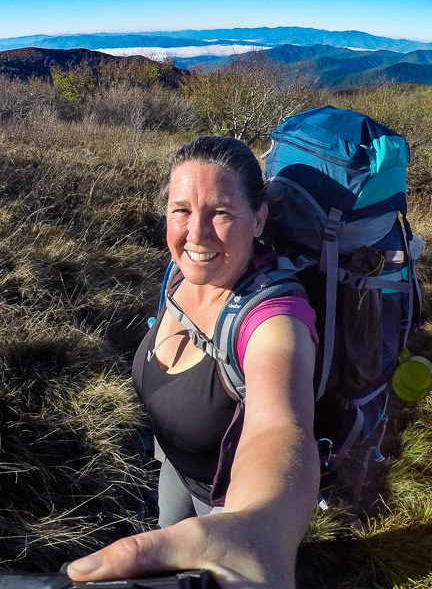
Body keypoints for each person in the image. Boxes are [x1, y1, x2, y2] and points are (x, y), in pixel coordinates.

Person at [67, 135, 320, 589]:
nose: (196, 235)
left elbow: (280, 427)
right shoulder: (178, 274)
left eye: (221, 213)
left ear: (259, 218)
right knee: (168, 534)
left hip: (223, 502)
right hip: (174, 467)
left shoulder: (273, 320)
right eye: (180, 210)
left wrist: (260, 526)